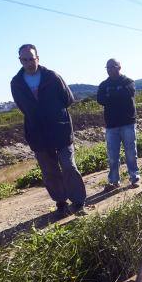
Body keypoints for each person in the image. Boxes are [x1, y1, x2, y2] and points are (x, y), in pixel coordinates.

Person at [10, 44, 86, 215]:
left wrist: (53, 112)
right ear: (20, 61)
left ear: (38, 58)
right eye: (25, 59)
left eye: (32, 58)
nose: (29, 62)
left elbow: (68, 99)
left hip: (60, 130)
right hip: (38, 134)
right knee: (49, 171)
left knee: (68, 166)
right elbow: (23, 107)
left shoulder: (52, 77)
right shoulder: (16, 83)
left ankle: (79, 202)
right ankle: (61, 202)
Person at [97, 58, 140, 190]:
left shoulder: (128, 82)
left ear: (119, 67)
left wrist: (111, 96)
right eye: (108, 68)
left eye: (112, 67)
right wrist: (117, 95)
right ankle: (114, 181)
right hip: (112, 125)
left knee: (131, 153)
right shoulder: (104, 85)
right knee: (113, 155)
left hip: (127, 123)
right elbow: (100, 99)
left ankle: (134, 178)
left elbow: (127, 95)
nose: (110, 70)